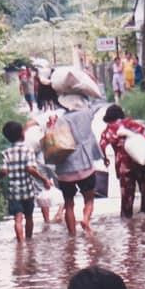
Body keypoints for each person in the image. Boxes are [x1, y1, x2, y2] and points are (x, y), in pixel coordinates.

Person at [0, 120, 51, 242]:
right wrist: (44, 179)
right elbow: (30, 169)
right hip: (28, 191)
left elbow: (4, 171)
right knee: (29, 217)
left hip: (14, 192)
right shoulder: (28, 150)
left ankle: (20, 244)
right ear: (22, 134)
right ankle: (29, 242)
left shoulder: (6, 153)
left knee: (18, 219)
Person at [48, 97, 105, 236]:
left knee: (68, 204)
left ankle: (72, 236)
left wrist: (51, 125)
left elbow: (52, 140)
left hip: (65, 169)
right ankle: (85, 220)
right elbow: (97, 105)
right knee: (89, 199)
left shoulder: (61, 119)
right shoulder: (86, 114)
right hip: (85, 166)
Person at [99, 103, 145, 218]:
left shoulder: (109, 130)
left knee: (127, 198)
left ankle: (127, 224)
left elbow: (101, 146)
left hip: (124, 167)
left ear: (109, 118)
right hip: (142, 163)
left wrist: (105, 159)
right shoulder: (132, 124)